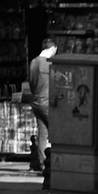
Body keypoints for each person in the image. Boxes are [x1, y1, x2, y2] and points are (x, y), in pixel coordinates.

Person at [24, 36, 57, 174]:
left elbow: (30, 82)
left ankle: (43, 162)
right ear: (52, 49)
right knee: (56, 131)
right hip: (47, 102)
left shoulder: (33, 63)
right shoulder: (49, 64)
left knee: (42, 133)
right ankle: (54, 163)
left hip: (36, 101)